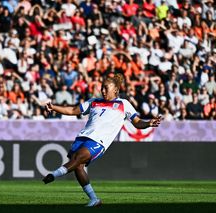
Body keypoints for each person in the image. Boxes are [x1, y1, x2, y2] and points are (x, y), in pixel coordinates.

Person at [42, 73, 162, 207]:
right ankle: (94, 199)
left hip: (99, 141)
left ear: (115, 90)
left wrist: (148, 123)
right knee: (78, 167)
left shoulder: (124, 104)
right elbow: (72, 110)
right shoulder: (94, 101)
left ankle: (53, 175)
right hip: (83, 136)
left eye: (106, 88)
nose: (103, 91)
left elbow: (137, 122)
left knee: (78, 157)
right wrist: (53, 107)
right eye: (102, 88)